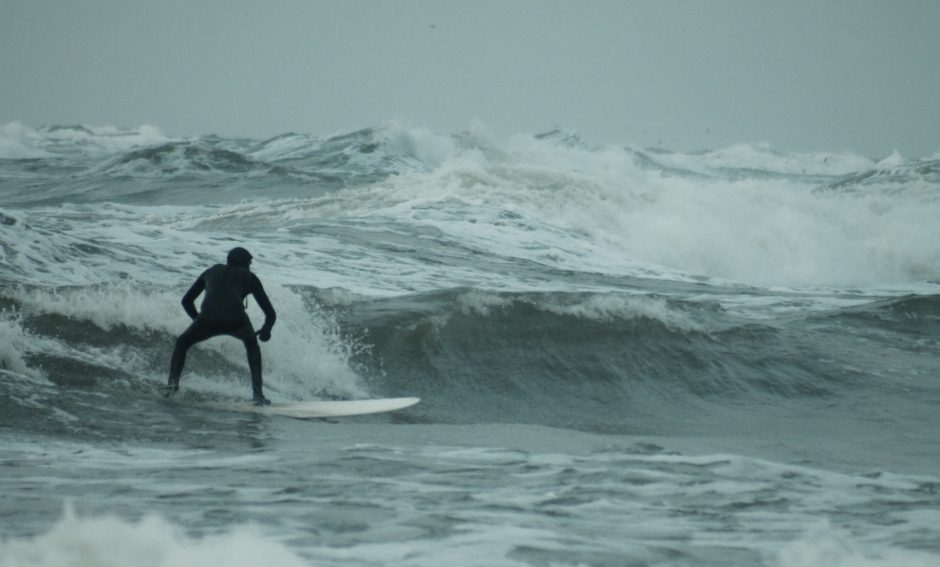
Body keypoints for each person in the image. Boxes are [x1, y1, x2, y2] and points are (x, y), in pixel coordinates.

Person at [165, 247, 276, 406]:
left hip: (207, 320)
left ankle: (172, 385)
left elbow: (186, 301)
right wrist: (266, 329)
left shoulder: (211, 271)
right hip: (236, 320)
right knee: (252, 345)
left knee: (182, 342)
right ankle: (258, 394)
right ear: (244, 263)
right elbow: (270, 313)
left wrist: (199, 321)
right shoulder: (249, 277)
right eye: (249, 263)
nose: (250, 266)